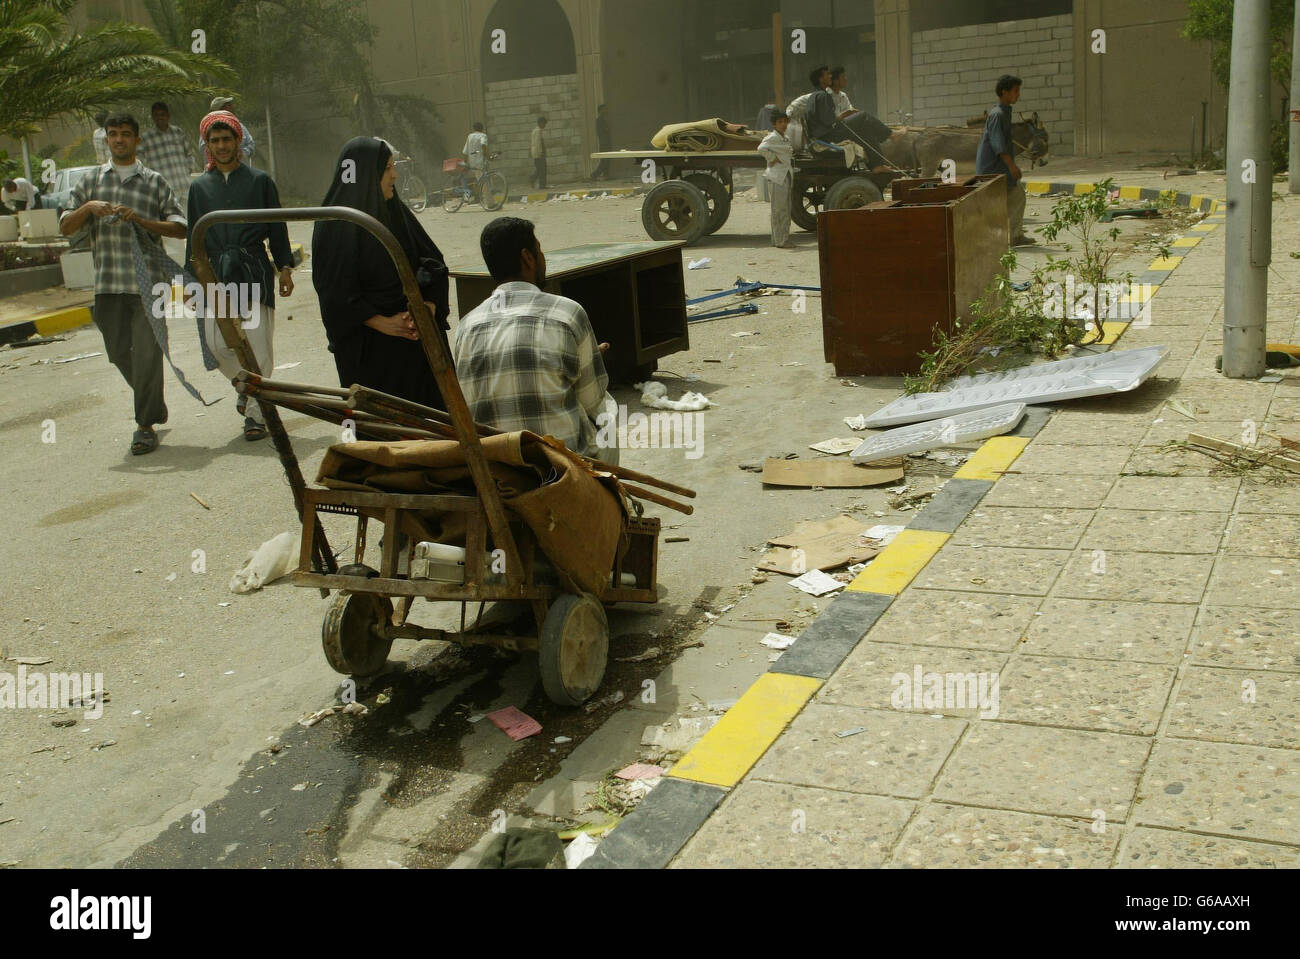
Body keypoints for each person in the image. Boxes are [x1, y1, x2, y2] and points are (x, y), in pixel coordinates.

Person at [59, 112, 186, 456]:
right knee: (118, 352)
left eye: (125, 134)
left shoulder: (154, 181)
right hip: (108, 284)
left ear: (137, 140)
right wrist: (88, 207)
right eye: (113, 134)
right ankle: (153, 404)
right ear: (107, 140)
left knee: (147, 353)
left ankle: (144, 426)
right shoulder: (90, 182)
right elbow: (66, 227)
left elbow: (179, 225)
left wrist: (142, 220)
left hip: (149, 285)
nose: (119, 140)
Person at [453, 217, 617, 462]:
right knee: (608, 408)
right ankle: (606, 493)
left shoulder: (466, 326)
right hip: (561, 464)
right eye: (539, 250)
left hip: (498, 464)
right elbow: (591, 399)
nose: (542, 258)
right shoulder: (567, 313)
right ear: (527, 258)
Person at [312, 136, 452, 410]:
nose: (395, 175)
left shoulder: (395, 212)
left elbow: (433, 262)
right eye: (387, 168)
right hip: (371, 352)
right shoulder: (336, 223)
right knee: (385, 436)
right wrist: (380, 322)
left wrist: (428, 306)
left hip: (418, 345)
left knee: (435, 434)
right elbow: (334, 293)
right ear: (366, 174)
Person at [186, 111, 295, 442]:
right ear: (207, 146)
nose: (221, 146)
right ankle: (246, 388)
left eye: (226, 139)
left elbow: (277, 228)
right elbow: (194, 236)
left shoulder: (260, 181)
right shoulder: (199, 188)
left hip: (254, 270)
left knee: (258, 346)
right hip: (215, 275)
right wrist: (192, 282)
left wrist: (285, 267)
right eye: (214, 141)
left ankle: (255, 416)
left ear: (238, 141)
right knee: (218, 345)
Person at [977, 74, 1030, 246]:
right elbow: (998, 145)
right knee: (1015, 197)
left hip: (999, 168)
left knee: (1015, 197)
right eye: (1015, 91)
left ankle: (1010, 235)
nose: (1018, 94)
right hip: (993, 169)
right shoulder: (998, 115)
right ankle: (1011, 236)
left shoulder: (1004, 112)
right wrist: (1012, 166)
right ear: (1004, 92)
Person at [758, 112, 794, 249]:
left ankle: (779, 239)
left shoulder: (786, 138)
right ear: (774, 124)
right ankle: (781, 241)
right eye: (780, 122)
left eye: (785, 121)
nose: (783, 124)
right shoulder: (772, 137)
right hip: (776, 177)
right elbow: (761, 149)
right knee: (779, 210)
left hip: (785, 175)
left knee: (785, 208)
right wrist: (773, 158)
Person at [199, 96, 256, 165]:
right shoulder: (208, 127)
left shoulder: (239, 126)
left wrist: (243, 153)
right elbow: (204, 149)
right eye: (228, 105)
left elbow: (251, 145)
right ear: (222, 108)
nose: (222, 146)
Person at [590, 104, 612, 180]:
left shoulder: (603, 119)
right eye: (604, 109)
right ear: (601, 110)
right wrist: (607, 129)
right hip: (604, 144)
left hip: (606, 143)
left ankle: (606, 175)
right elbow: (604, 131)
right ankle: (594, 175)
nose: (606, 110)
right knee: (604, 161)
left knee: (607, 160)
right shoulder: (599, 120)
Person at [529, 116, 548, 189]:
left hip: (536, 154)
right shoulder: (538, 131)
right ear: (540, 123)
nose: (544, 126)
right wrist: (540, 152)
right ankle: (541, 184)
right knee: (542, 169)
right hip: (539, 154)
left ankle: (533, 179)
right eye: (544, 124)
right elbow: (538, 143)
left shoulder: (535, 130)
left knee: (539, 169)